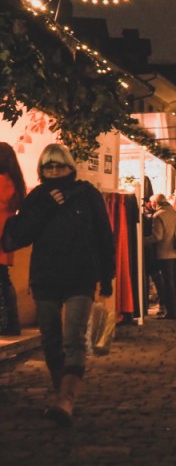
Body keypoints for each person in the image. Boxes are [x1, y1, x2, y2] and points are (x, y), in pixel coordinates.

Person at [1, 143, 115, 427]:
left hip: (80, 276)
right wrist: (46, 208)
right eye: (48, 166)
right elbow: (22, 235)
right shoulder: (38, 197)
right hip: (46, 277)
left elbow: (104, 235)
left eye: (59, 165)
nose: (54, 171)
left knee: (73, 336)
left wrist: (107, 276)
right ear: (41, 169)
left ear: (70, 166)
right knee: (50, 338)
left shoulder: (88, 195)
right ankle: (60, 392)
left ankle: (66, 399)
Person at [0, 142, 26, 336]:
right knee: (4, 280)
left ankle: (8, 324)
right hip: (4, 235)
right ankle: (11, 324)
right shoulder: (14, 180)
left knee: (3, 281)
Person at [145, 194, 176, 320]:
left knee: (167, 284)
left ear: (155, 203)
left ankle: (169, 312)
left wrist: (142, 240)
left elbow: (158, 236)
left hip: (164, 254)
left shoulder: (158, 216)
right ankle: (175, 311)